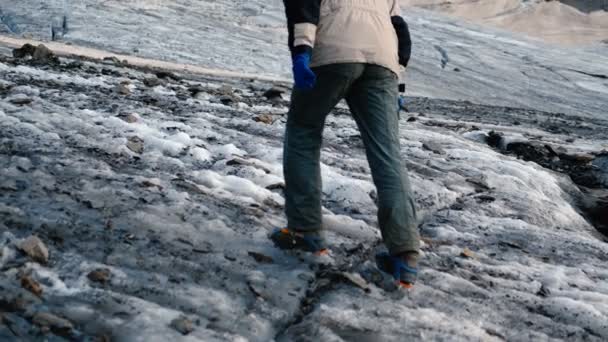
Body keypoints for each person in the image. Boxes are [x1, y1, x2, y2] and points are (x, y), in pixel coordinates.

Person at [270, 0, 420, 288]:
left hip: (333, 53)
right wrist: (398, 80)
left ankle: (305, 231)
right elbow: (401, 29)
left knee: (304, 130)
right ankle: (405, 254)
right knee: (387, 153)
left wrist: (301, 52)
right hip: (383, 60)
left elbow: (304, 6)